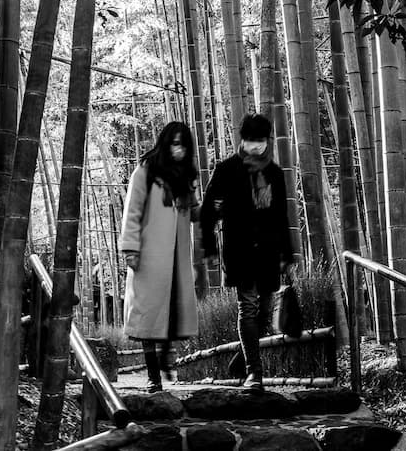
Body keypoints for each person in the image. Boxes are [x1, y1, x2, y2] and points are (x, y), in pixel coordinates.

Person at [200, 112, 293, 391]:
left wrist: (288, 255)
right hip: (239, 250)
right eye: (251, 140)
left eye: (261, 140)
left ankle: (243, 357)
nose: (256, 145)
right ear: (243, 140)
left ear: (268, 141)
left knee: (264, 312)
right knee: (248, 306)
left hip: (268, 251)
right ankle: (255, 372)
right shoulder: (227, 169)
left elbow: (281, 216)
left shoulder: (275, 173)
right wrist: (210, 249)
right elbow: (208, 211)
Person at [121, 121, 199, 392]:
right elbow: (132, 211)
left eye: (183, 144)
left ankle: (166, 360)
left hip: (177, 257)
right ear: (165, 143)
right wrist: (130, 248)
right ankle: (154, 377)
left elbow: (193, 213)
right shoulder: (145, 171)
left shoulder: (186, 176)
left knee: (171, 313)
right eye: (174, 143)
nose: (178, 149)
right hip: (149, 254)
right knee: (149, 316)